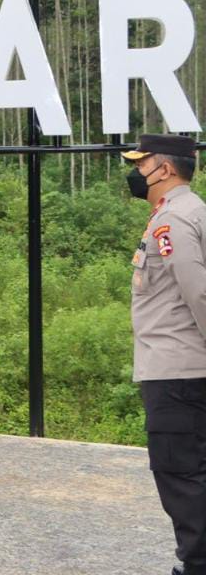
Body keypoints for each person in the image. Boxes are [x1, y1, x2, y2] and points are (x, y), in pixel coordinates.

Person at [122, 133, 206, 575]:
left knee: (181, 474)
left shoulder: (173, 221)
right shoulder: (190, 212)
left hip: (177, 373)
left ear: (165, 169)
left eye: (142, 163)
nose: (136, 172)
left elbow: (199, 293)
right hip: (183, 369)